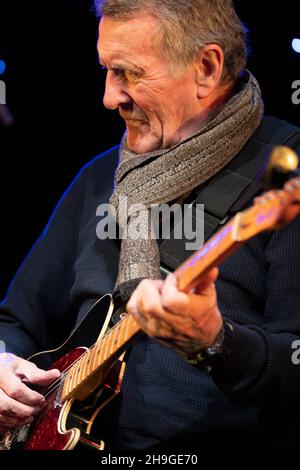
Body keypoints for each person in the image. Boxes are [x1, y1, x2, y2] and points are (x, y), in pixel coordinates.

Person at [1, 0, 300, 451]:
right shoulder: (98, 179)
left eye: (128, 73)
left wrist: (216, 343)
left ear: (206, 67)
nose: (108, 97)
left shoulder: (285, 177)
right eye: (106, 70)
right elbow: (15, 318)